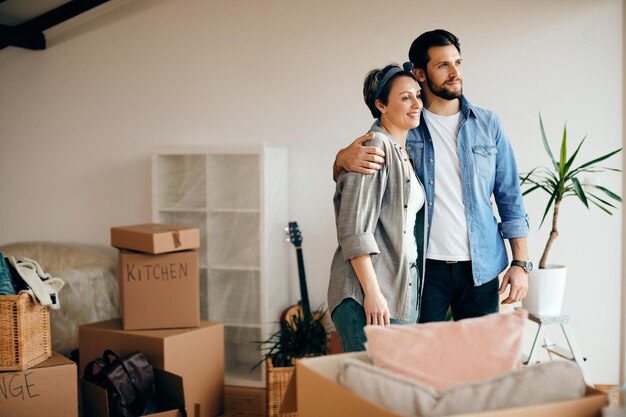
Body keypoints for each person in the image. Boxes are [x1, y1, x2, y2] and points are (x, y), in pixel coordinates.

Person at [333, 29, 530, 323]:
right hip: (423, 269)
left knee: (480, 363)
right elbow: (363, 177)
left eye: (458, 63)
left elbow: (509, 195)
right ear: (421, 74)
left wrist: (520, 263)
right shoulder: (404, 120)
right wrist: (339, 160)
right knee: (423, 362)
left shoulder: (488, 124)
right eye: (443, 65)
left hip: (481, 266)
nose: (455, 73)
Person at [328, 63, 427, 352]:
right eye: (406, 97)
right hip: (367, 296)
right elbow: (354, 229)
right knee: (369, 393)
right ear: (381, 105)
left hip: (396, 290)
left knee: (391, 390)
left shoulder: (402, 151)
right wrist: (373, 293)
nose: (417, 104)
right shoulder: (373, 148)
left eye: (418, 95)